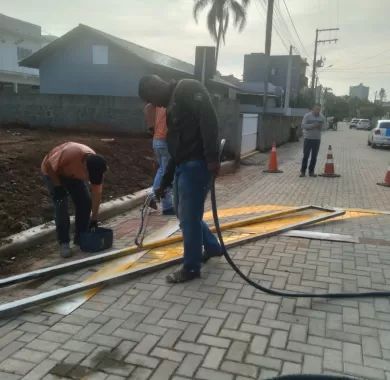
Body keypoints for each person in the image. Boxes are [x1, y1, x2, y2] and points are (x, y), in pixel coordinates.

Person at [138, 75, 222, 283]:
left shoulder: (187, 88)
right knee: (184, 214)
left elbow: (209, 119)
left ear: (156, 87)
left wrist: (212, 158)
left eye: (152, 99)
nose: (155, 105)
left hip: (197, 165)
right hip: (183, 167)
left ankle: (191, 268)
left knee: (189, 218)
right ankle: (212, 247)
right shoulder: (172, 107)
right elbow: (176, 150)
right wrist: (164, 182)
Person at [41, 142, 107, 258]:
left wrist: (94, 219)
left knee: (85, 202)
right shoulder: (71, 154)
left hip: (74, 176)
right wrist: (58, 186)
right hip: (53, 173)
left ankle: (80, 237)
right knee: (61, 205)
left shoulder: (97, 166)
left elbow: (96, 194)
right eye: (89, 176)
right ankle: (64, 243)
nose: (90, 179)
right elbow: (48, 164)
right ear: (85, 166)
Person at [143, 103, 174, 215]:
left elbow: (147, 107)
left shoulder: (159, 102)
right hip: (165, 141)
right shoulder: (170, 103)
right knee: (166, 173)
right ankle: (167, 207)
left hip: (157, 140)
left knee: (162, 170)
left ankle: (152, 196)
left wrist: (151, 127)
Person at [300, 104, 326, 177]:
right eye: (316, 109)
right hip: (308, 138)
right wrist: (313, 125)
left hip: (317, 139)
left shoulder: (322, 117)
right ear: (313, 109)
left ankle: (311, 171)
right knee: (306, 155)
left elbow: (325, 127)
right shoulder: (307, 116)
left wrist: (320, 127)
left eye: (319, 109)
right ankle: (303, 171)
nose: (317, 111)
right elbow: (303, 126)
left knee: (314, 156)